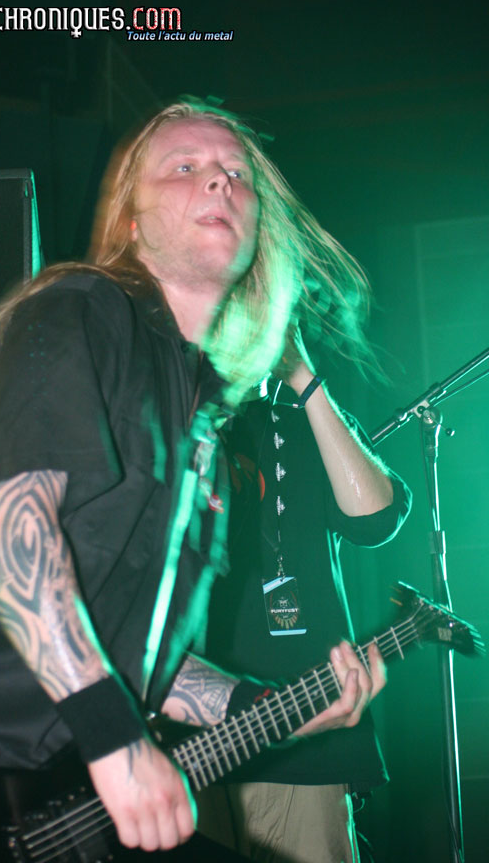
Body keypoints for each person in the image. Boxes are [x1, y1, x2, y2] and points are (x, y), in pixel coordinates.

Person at [0, 99, 387, 862]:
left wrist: (270, 708)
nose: (219, 182)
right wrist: (114, 737)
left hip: (44, 795)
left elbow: (140, 661)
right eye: (184, 167)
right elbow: (9, 522)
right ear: (131, 221)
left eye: (237, 174)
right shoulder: (79, 307)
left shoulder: (204, 431)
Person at [195, 241, 412, 859]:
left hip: (304, 731)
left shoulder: (306, 423)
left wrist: (303, 377)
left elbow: (374, 518)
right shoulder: (178, 413)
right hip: (191, 735)